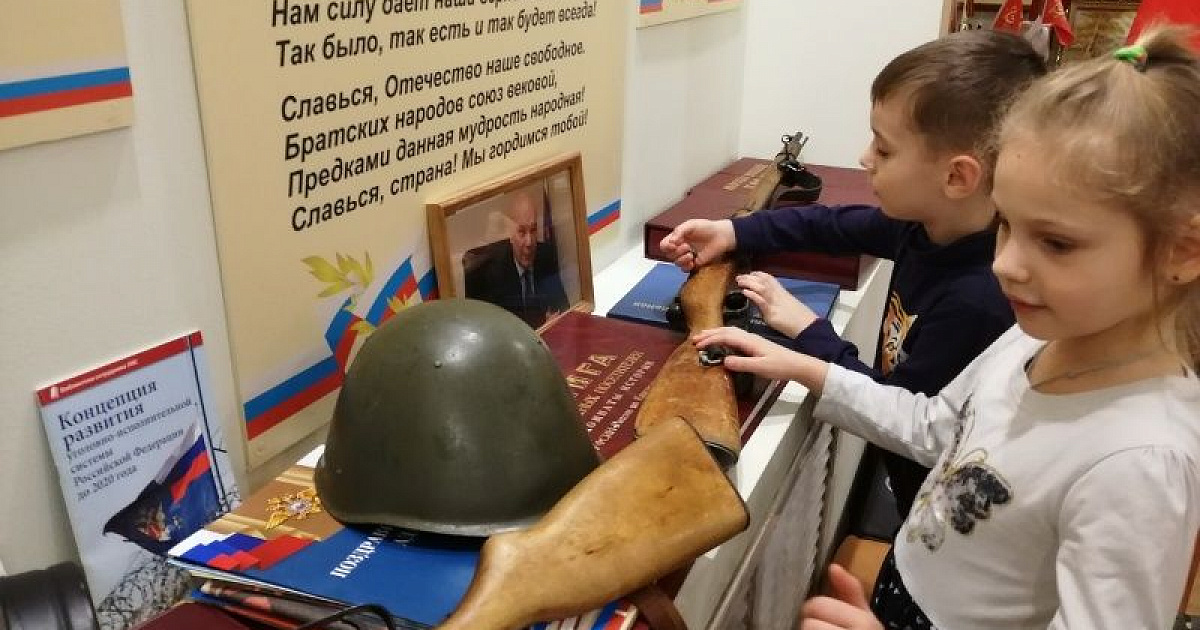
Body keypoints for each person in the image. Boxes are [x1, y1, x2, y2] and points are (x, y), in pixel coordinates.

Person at [698, 26, 1200, 629]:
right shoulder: (1034, 337)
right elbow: (936, 425)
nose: (1004, 264)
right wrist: (808, 368)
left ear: (1183, 251)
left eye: (1056, 243)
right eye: (1006, 224)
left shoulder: (1143, 463)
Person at [660, 30, 1047, 527]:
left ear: (957, 177)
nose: (865, 158)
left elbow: (901, 418)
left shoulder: (978, 300)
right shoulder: (927, 226)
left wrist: (808, 333)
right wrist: (732, 231)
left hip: (931, 509)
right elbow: (834, 225)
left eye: (884, 150)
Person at [464, 189, 568, 328]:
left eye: (533, 230)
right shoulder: (488, 274)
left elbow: (562, 307)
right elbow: (494, 332)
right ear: (509, 233)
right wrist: (542, 329)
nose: (529, 242)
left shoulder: (546, 255)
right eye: (521, 232)